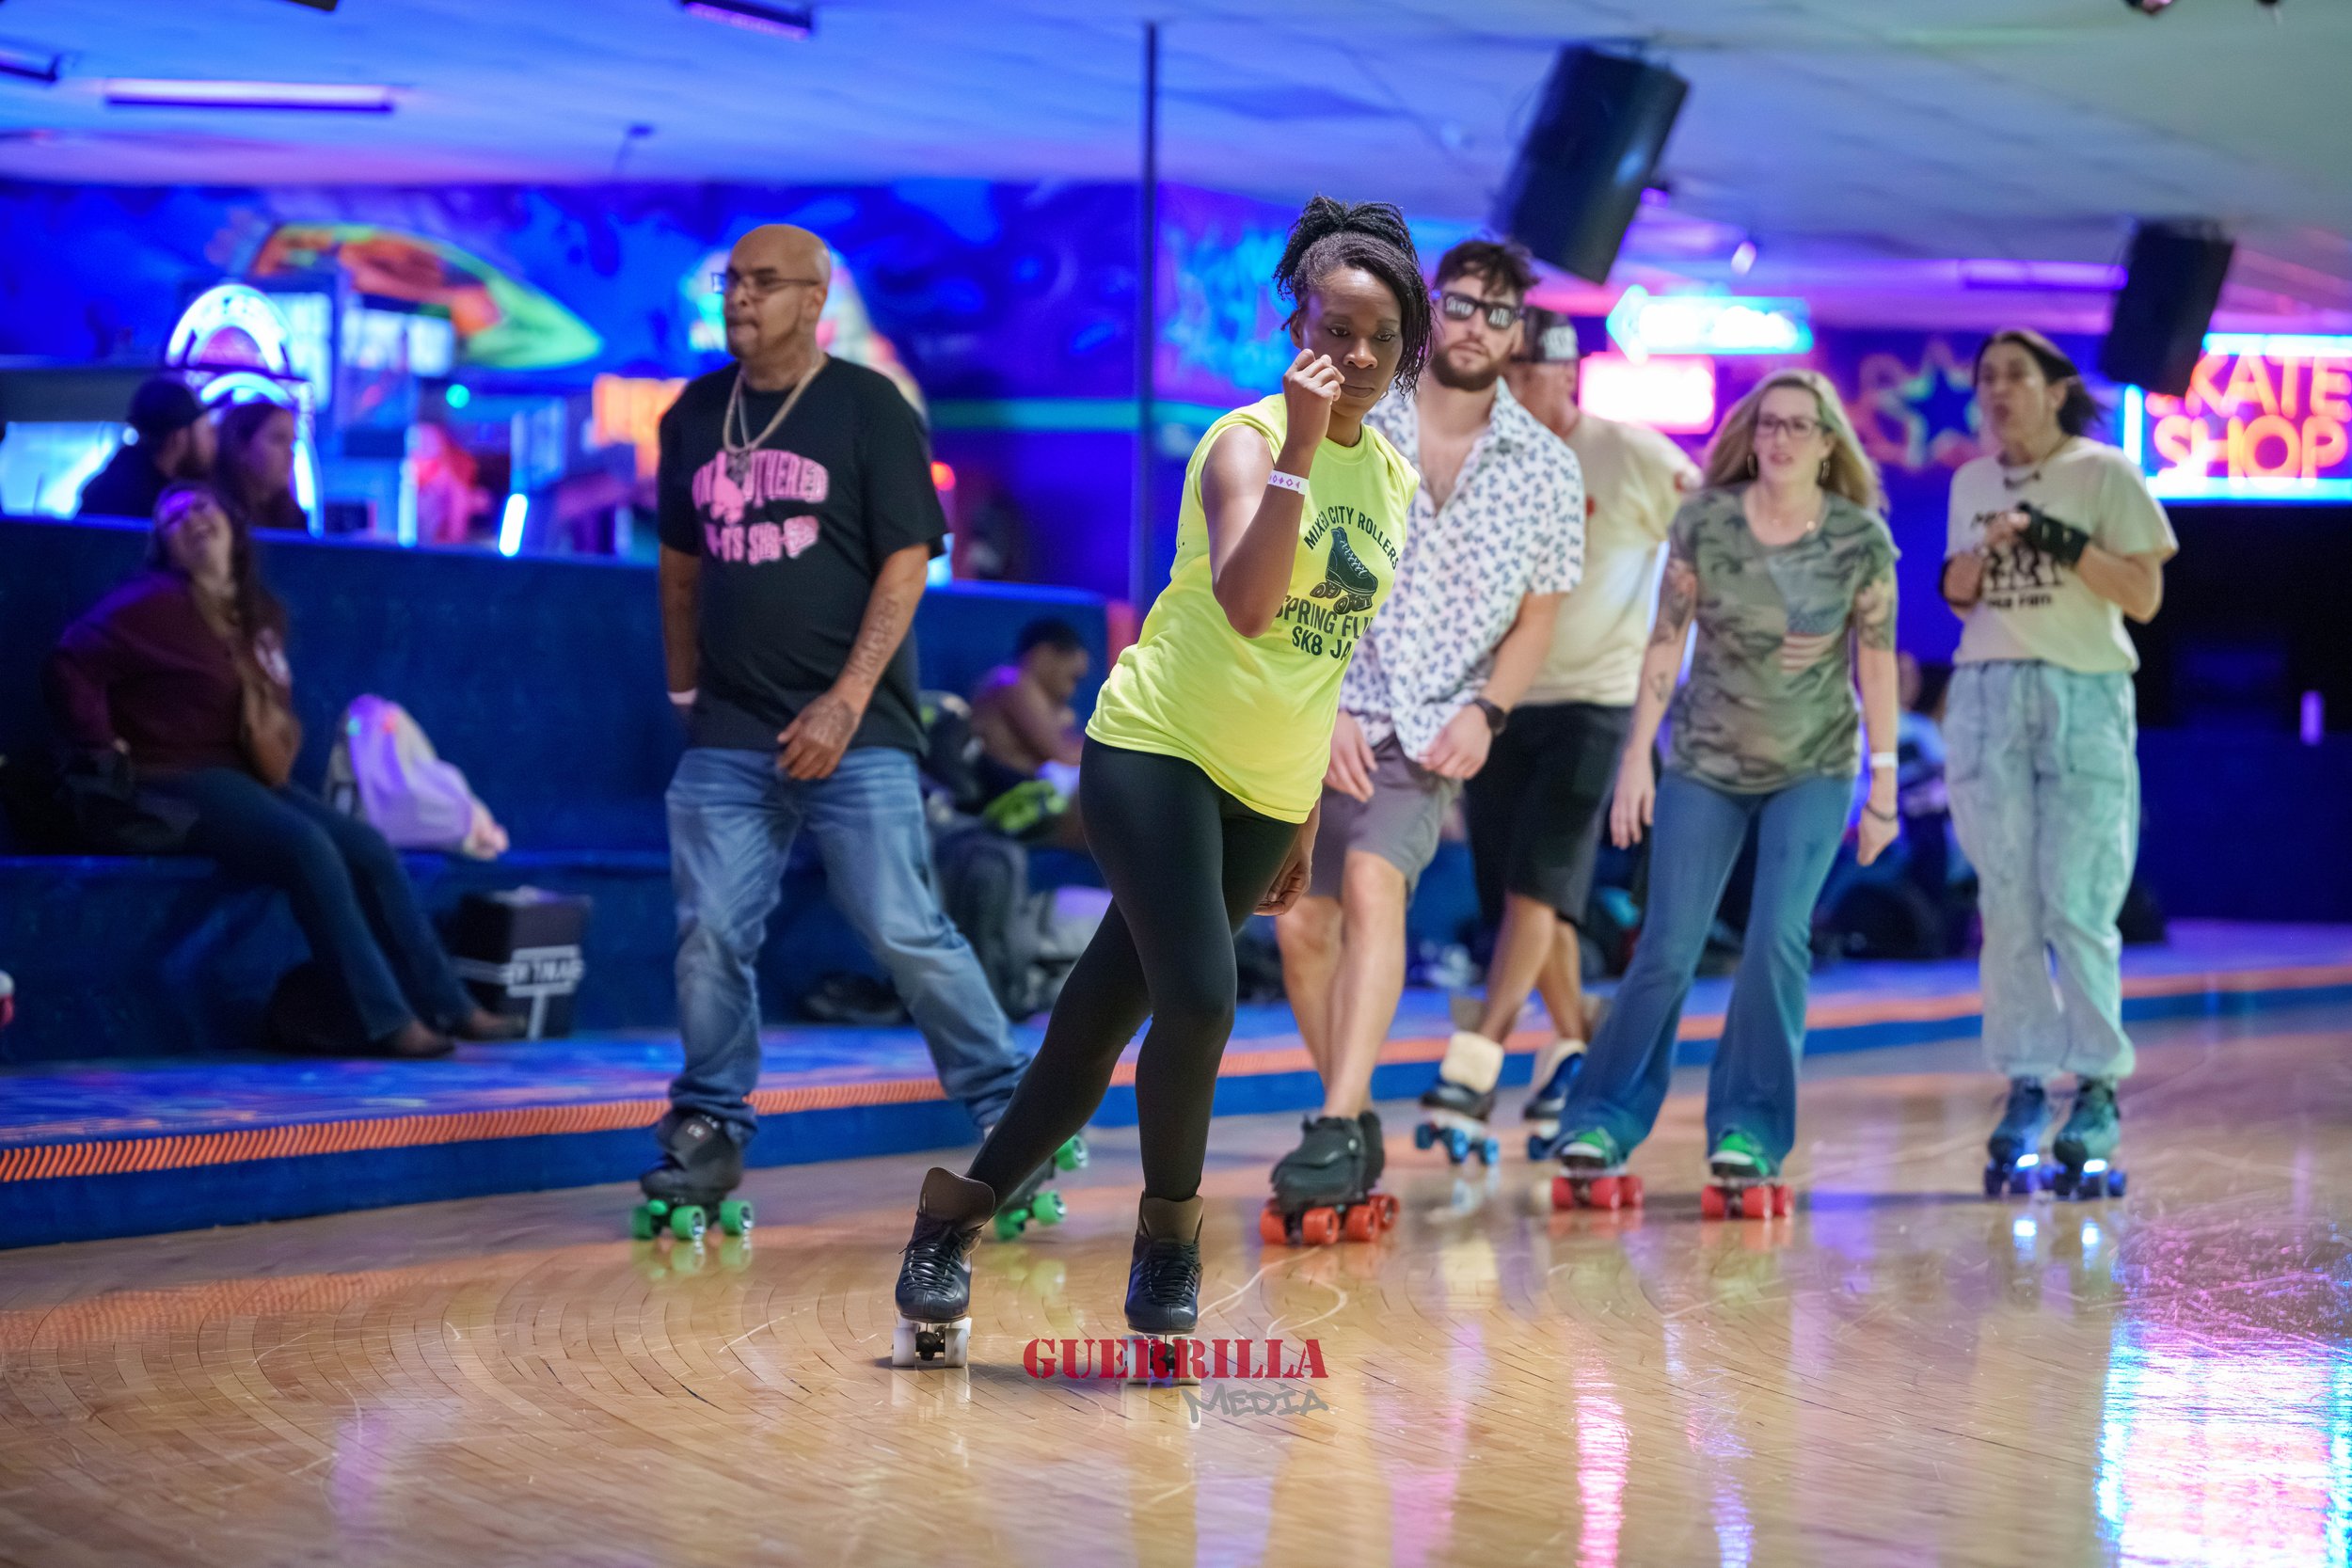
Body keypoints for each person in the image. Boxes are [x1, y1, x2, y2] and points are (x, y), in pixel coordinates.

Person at [889, 198, 1428, 1362]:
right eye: (1335, 328)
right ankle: (1170, 1244)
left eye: (1381, 335)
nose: (1357, 356)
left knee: (1089, 1033)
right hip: (1151, 752)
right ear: (1295, 326)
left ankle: (951, 1220)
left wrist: (1296, 815)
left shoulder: (1390, 480)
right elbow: (1247, 604)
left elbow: (1322, 652)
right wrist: (1297, 444)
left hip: (1260, 791)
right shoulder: (1242, 441)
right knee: (1199, 996)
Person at [646, 223, 1043, 1220]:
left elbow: (907, 564)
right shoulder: (695, 414)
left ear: (814, 297)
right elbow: (681, 565)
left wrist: (845, 699)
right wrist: (686, 687)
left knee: (904, 929)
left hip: (857, 731)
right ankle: (708, 1123)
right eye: (730, 278)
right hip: (730, 729)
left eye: (762, 282)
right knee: (708, 934)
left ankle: (1010, 1109)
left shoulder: (870, 408)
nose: (740, 297)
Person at [1271, 237, 1583, 1187]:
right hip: (1319, 703)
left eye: (1500, 313)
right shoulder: (1357, 421)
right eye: (1462, 303)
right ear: (1427, 309)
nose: (1478, 325)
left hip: (1431, 723)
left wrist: (1489, 710)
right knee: (1297, 923)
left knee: (1374, 884)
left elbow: (1540, 611)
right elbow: (1290, 559)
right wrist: (1318, 707)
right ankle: (1352, 1110)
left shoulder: (1544, 467)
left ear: (1517, 332)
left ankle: (1330, 1120)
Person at [1548, 370, 1900, 1202]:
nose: (1779, 439)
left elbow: (1876, 663)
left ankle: (1751, 1127)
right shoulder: (1704, 521)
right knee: (1668, 943)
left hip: (1814, 764)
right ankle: (1600, 1115)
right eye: (1767, 424)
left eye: (1798, 427)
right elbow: (1665, 641)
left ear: (1826, 444)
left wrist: (1884, 782)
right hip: (1705, 761)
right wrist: (1639, 756)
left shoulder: (1858, 539)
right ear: (1750, 435)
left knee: (1778, 939)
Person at [43, 483, 522, 1058]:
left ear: (232, 525)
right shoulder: (150, 605)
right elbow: (71, 661)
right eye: (171, 519)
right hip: (172, 772)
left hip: (246, 773)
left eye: (203, 507)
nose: (190, 520)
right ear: (163, 546)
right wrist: (99, 744)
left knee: (368, 846)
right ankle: (385, 1021)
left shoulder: (256, 611)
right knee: (307, 846)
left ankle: (452, 1005)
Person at [1435, 307, 1703, 1149]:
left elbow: (1712, 529)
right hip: (1500, 702)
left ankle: (1475, 1060)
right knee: (1520, 892)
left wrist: (1682, 639)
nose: (1509, 391)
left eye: (1525, 376)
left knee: (1537, 884)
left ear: (1567, 376)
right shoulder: (1486, 457)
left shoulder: (1627, 455)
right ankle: (1575, 1052)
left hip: (1598, 698)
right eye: (1501, 376)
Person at [1942, 329, 2174, 1198]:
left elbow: (2145, 596)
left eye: (2016, 376)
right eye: (1986, 375)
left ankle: (2098, 1086)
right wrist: (1984, 551)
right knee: (2007, 903)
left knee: (2079, 900)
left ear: (2054, 388)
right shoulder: (1971, 480)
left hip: (2082, 691)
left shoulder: (2103, 470)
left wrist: (2049, 536)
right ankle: (2026, 1080)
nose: (1998, 390)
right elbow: (1958, 594)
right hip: (1988, 688)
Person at [967, 617, 1089, 841]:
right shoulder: (1012, 682)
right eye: (1073, 678)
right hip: (1008, 803)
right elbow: (1061, 755)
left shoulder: (1047, 703)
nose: (1072, 692)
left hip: (1036, 795)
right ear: (1043, 656)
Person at [76, 377, 215, 521]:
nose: (214, 440)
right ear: (178, 437)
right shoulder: (122, 501)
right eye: (208, 430)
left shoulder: (188, 483)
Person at [214, 401, 310, 534]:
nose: (290, 453)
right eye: (278, 439)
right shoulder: (215, 516)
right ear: (242, 447)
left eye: (292, 443)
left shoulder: (295, 518)